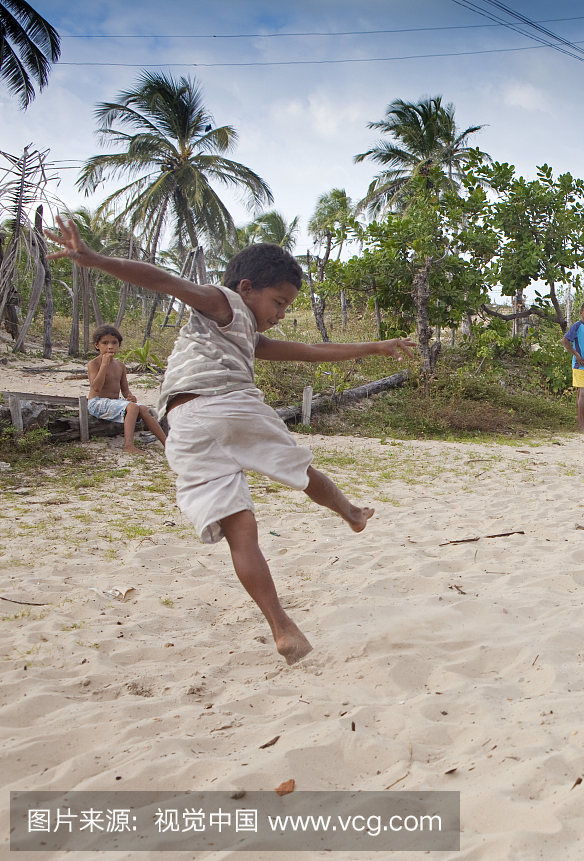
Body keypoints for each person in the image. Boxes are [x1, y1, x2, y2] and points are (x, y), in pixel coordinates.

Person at [46, 215, 416, 665]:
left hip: (183, 425)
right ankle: (350, 511)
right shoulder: (223, 303)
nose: (280, 315)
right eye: (278, 302)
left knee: (242, 533)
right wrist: (94, 259)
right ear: (245, 287)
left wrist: (371, 347)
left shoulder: (246, 334)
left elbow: (310, 352)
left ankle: (282, 627)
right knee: (299, 468)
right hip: (227, 405)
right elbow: (163, 279)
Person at [86, 324, 168, 453]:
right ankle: (128, 445)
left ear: (119, 345)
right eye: (105, 343)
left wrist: (130, 397)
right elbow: (96, 387)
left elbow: (125, 390)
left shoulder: (120, 366)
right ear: (97, 345)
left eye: (114, 343)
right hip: (96, 403)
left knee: (143, 408)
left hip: (115, 402)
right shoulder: (94, 364)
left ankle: (167, 443)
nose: (110, 346)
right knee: (132, 407)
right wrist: (104, 365)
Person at [561, 302, 584, 433]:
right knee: (583, 394)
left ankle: (582, 424)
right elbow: (564, 341)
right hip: (580, 366)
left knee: (582, 395)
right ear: (581, 313)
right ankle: (581, 425)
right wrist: (577, 355)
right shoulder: (577, 326)